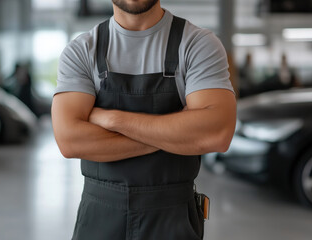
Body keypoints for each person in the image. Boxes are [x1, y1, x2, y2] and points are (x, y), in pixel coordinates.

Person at [52, 0, 236, 239]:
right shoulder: (81, 51)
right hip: (99, 218)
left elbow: (217, 133)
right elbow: (70, 141)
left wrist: (114, 120)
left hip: (173, 218)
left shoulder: (197, 44)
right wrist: (175, 134)